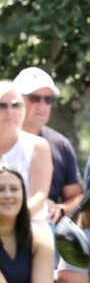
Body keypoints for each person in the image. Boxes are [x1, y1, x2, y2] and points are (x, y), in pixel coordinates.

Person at [15, 66, 82, 224]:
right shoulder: (4, 139)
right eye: (34, 98)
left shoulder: (61, 145)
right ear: (16, 99)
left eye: (48, 99)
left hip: (45, 231)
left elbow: (75, 196)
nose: (42, 105)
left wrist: (60, 209)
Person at [0, 79, 51, 221]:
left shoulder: (38, 146)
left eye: (16, 105)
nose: (10, 111)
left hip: (29, 225)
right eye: (2, 106)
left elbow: (39, 196)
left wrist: (11, 223)